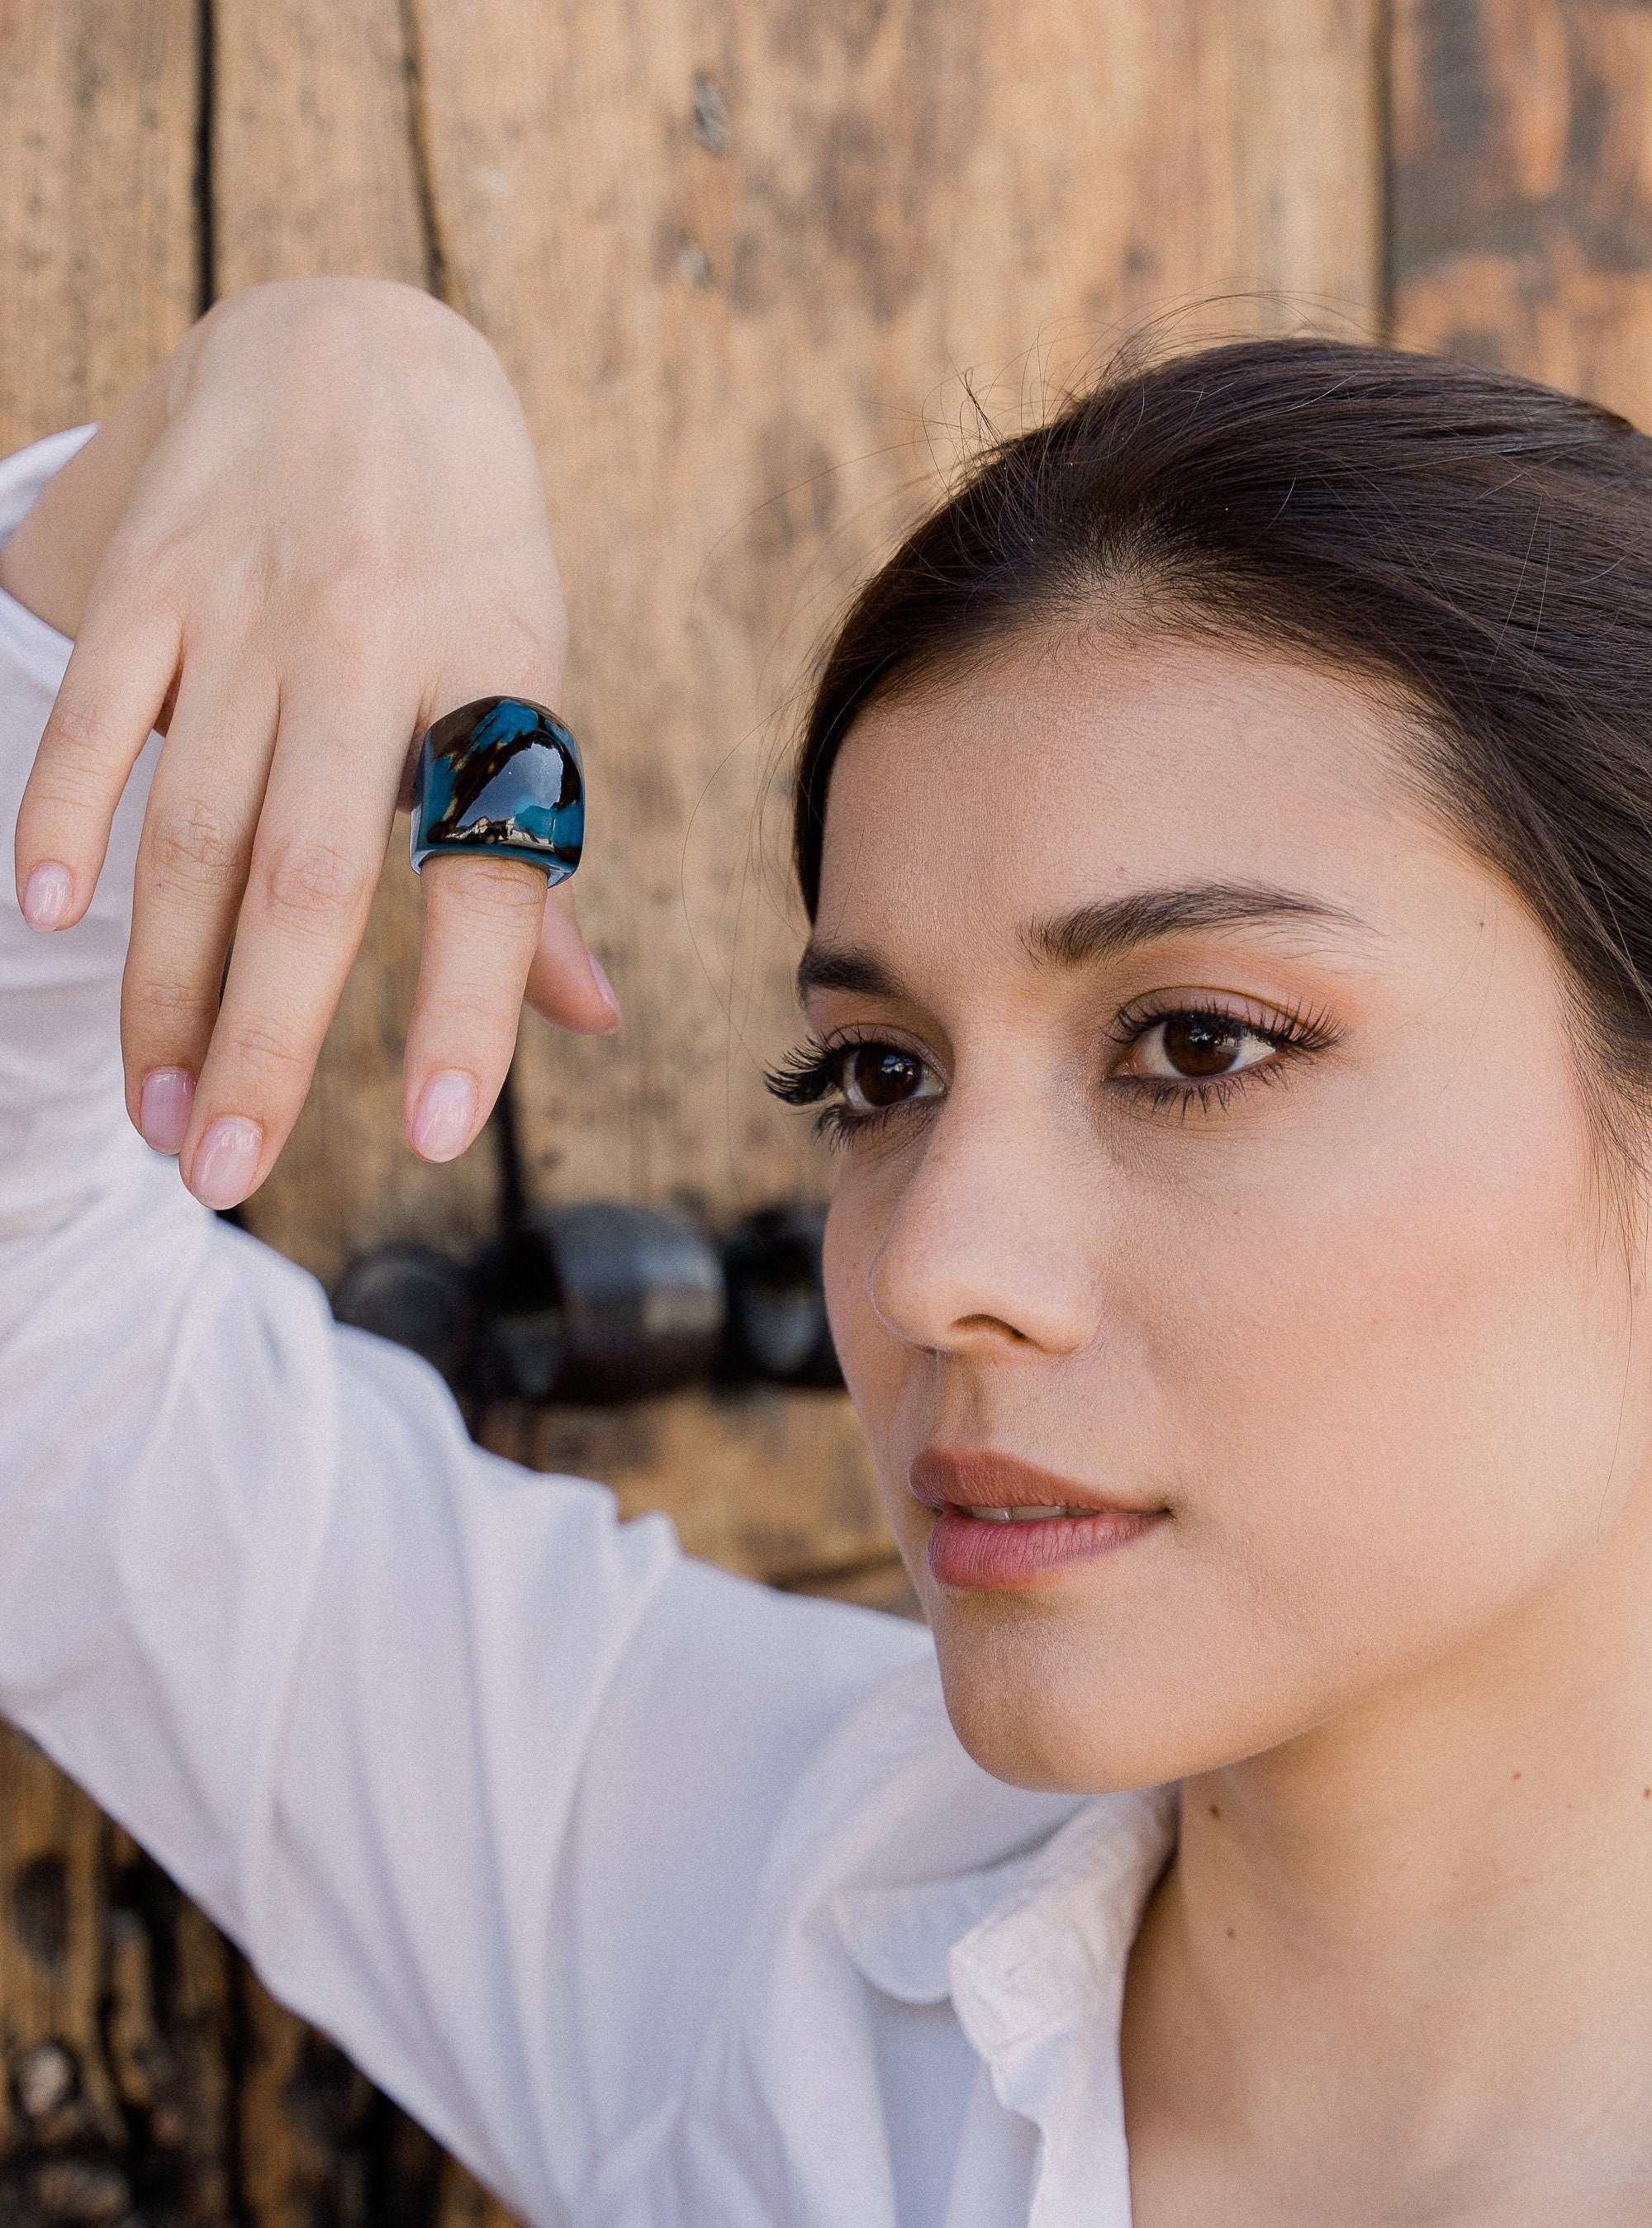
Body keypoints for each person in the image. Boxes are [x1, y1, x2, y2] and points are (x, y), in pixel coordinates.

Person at [5, 281, 1652, 2228]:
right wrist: (335, 382)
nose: (927, 1264)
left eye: (1201, 1044)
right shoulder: (778, 1950)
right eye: (883, 1074)